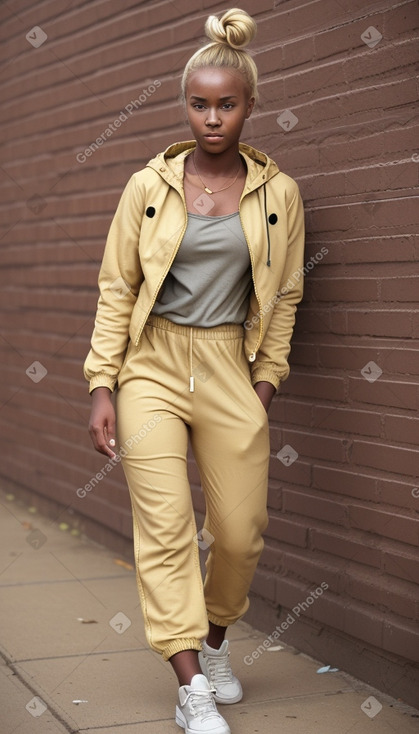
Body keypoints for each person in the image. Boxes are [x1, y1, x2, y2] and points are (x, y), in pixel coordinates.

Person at [83, 7, 304, 733]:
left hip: (226, 365)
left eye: (226, 104)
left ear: (249, 106)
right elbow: (117, 287)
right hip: (150, 361)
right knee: (166, 523)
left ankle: (213, 642)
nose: (211, 118)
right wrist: (102, 384)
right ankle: (189, 685)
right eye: (198, 103)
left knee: (240, 531)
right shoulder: (148, 187)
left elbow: (288, 292)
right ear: (187, 105)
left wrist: (263, 383)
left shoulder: (278, 196)